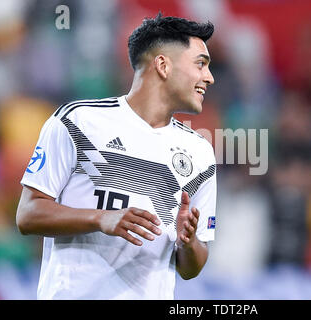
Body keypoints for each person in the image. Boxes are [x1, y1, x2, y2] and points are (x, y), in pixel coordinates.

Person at [16, 13, 217, 300]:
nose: (209, 77)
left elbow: (191, 267)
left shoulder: (200, 153)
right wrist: (101, 219)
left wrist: (188, 241)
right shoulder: (78, 122)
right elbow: (27, 215)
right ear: (163, 65)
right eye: (201, 64)